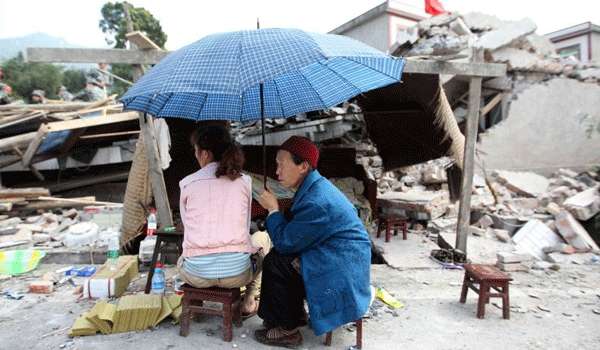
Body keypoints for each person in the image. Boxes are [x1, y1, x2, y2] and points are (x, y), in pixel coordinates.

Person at [255, 136, 371, 348]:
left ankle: (288, 330)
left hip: (341, 265)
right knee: (280, 259)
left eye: (282, 164)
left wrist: (272, 210)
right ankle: (290, 316)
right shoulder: (314, 186)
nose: (277, 171)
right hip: (333, 254)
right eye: (276, 164)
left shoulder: (318, 200)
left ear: (303, 166)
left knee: (278, 261)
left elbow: (286, 242)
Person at [177, 125, 271, 316]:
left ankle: (196, 302)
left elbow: (188, 227)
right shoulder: (244, 181)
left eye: (196, 151)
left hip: (196, 275)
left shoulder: (187, 183)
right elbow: (245, 226)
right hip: (237, 274)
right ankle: (249, 299)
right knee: (263, 238)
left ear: (204, 154)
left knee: (185, 253)